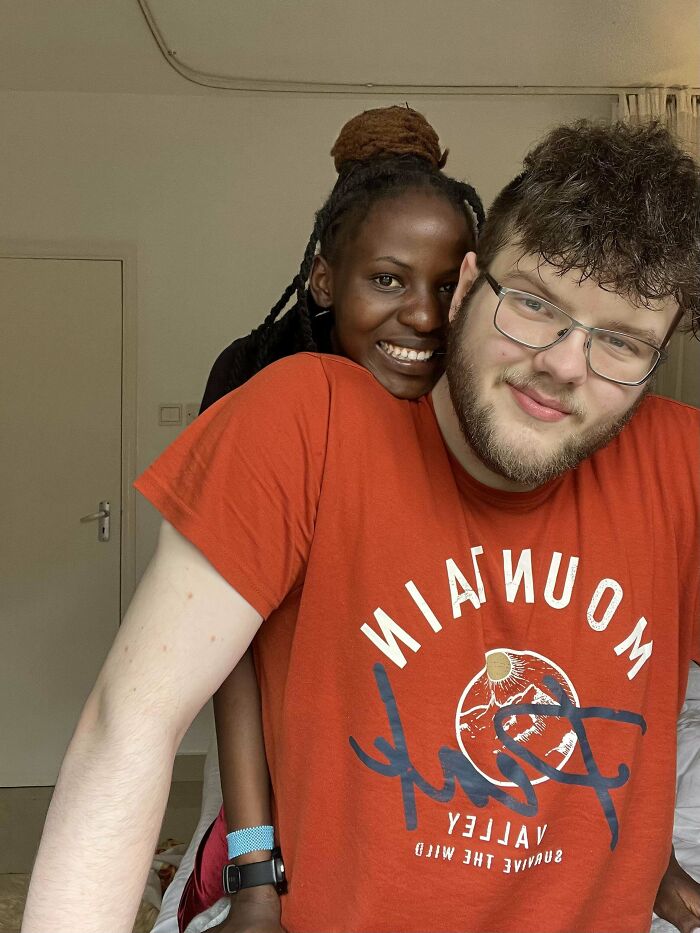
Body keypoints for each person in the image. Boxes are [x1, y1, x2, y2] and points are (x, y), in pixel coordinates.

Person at [23, 119, 700, 933]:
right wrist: (252, 873)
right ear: (471, 283)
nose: (562, 364)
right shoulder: (301, 418)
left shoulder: (681, 464)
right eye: (532, 303)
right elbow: (128, 725)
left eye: (621, 341)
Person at [185, 104, 484, 933]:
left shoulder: (473, 389)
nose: (422, 314)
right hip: (288, 716)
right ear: (328, 267)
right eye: (386, 275)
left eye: (445, 284)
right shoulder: (261, 375)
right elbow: (231, 634)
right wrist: (254, 866)